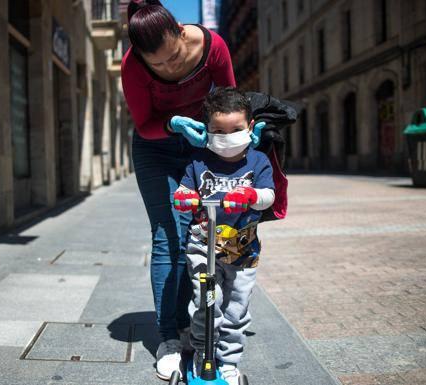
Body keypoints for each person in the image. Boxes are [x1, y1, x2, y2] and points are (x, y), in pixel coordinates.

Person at [121, 1, 259, 380]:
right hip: (156, 147)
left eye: (173, 57)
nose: (169, 68)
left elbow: (230, 99)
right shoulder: (132, 66)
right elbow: (144, 123)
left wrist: (240, 140)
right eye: (159, 65)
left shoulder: (213, 46)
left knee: (200, 235)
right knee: (169, 235)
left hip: (203, 144)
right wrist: (173, 124)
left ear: (182, 33)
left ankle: (190, 323)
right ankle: (168, 336)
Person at [173, 87, 275, 385]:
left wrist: (250, 195)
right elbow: (185, 190)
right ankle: (202, 355)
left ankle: (228, 360)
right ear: (207, 130)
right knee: (207, 303)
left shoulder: (257, 162)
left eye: (235, 129)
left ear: (250, 128)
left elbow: (268, 196)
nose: (227, 136)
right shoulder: (198, 162)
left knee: (236, 308)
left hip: (243, 253)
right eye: (218, 130)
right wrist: (184, 197)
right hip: (203, 246)